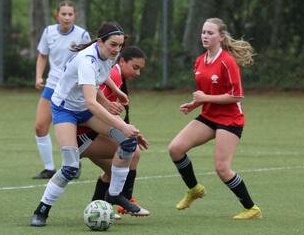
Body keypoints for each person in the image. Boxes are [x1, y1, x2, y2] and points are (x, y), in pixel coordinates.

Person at [31, 22, 148, 227]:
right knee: (70, 167)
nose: (116, 50)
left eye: (120, 46)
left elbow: (99, 81)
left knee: (128, 144)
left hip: (83, 109)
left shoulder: (108, 56)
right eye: (113, 44)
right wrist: (121, 125)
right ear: (100, 41)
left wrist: (116, 92)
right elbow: (91, 103)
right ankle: (42, 210)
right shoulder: (87, 60)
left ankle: (114, 195)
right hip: (65, 110)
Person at [167, 18, 262, 220]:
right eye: (203, 32)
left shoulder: (228, 61)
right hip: (209, 116)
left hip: (230, 120)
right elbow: (206, 91)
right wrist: (195, 104)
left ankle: (251, 208)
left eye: (210, 33)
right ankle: (194, 189)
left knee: (222, 168)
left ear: (220, 36)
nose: (205, 36)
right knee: (175, 149)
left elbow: (237, 96)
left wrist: (205, 98)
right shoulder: (200, 61)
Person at [77, 46, 150, 217]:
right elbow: (94, 103)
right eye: (135, 67)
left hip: (91, 132)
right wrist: (125, 131)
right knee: (134, 152)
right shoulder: (114, 75)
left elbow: (108, 113)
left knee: (113, 170)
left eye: (140, 69)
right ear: (122, 61)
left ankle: (98, 207)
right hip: (82, 136)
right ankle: (124, 198)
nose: (138, 73)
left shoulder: (116, 76)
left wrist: (129, 131)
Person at [33, 0, 91, 179]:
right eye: (63, 14)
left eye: (70, 14)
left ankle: (74, 164)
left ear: (75, 16)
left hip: (73, 89)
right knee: (40, 126)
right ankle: (49, 168)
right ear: (57, 15)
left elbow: (90, 59)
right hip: (52, 86)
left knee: (75, 128)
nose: (67, 17)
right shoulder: (49, 32)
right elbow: (42, 55)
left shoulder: (82, 35)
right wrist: (38, 76)